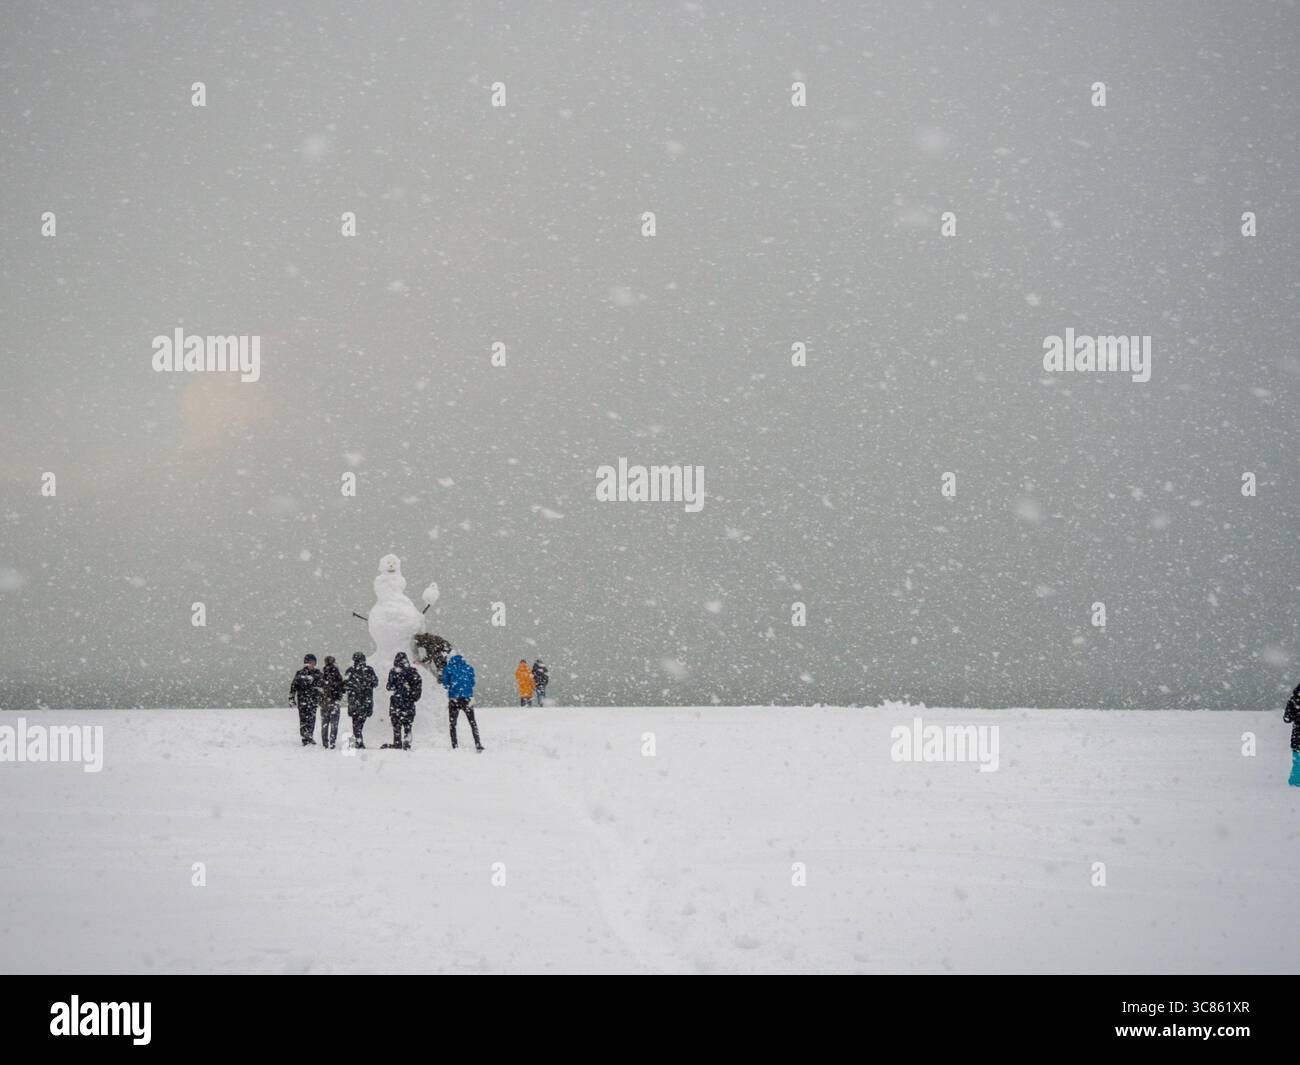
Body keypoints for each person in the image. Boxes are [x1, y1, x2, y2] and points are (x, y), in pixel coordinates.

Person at [442, 650, 483, 752]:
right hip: (467, 699)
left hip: (454, 699)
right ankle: (478, 744)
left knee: (453, 724)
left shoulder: (448, 668)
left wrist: (452, 687)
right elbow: (472, 683)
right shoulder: (469, 668)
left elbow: (445, 684)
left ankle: (455, 745)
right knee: (472, 722)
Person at [385, 651, 422, 750]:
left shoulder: (393, 672)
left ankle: (397, 743)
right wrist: (412, 695)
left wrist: (397, 687)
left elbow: (388, 687)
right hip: (409, 704)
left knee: (396, 725)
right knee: (408, 725)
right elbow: (418, 685)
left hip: (396, 703)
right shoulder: (413, 672)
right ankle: (407, 743)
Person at [344, 651, 378, 748]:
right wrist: (367, 684)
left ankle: (357, 741)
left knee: (356, 722)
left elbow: (345, 684)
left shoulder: (350, 671)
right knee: (360, 722)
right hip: (365, 701)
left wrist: (354, 687)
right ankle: (358, 741)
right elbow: (375, 683)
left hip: (354, 701)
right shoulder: (369, 670)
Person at [289, 654, 324, 746]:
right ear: (306, 663)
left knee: (312, 719)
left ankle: (310, 736)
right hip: (303, 700)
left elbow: (323, 686)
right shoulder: (300, 673)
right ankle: (305, 738)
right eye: (310, 662)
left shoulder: (318, 673)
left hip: (313, 700)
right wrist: (291, 698)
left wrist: (321, 696)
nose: (312, 664)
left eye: (313, 662)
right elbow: (293, 687)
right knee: (304, 719)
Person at [320, 655, 345, 749]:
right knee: (334, 724)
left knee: (324, 723)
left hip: (325, 702)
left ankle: (325, 742)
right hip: (335, 702)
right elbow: (342, 688)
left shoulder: (323, 673)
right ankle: (332, 742)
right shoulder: (337, 673)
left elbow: (320, 687)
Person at [1286, 681, 1300, 787]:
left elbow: (1287, 718)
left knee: (1297, 764)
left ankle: (1295, 783)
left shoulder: (1295, 698)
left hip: (1298, 738)